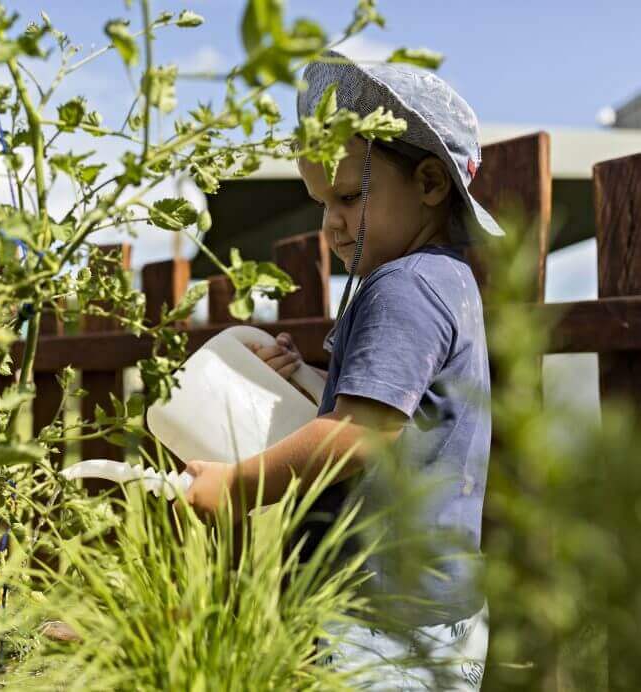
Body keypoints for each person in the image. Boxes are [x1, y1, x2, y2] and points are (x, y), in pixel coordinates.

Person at [183, 51, 499, 689]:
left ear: (431, 184)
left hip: (380, 625)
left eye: (350, 196)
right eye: (321, 202)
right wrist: (307, 378)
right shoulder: (443, 281)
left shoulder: (403, 287)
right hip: (429, 614)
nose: (331, 223)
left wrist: (238, 484)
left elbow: (361, 434)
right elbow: (397, 413)